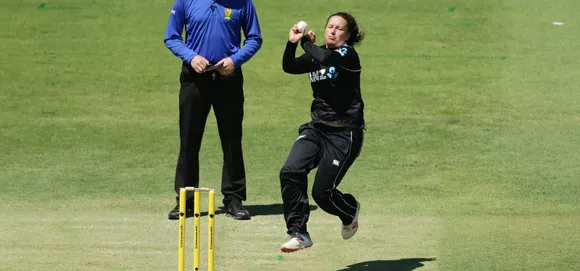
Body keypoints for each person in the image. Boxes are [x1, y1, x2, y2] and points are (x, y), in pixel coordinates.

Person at [163, 0, 262, 221]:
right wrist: (191, 57)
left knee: (231, 139)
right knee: (189, 139)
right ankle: (186, 201)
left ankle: (234, 200)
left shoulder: (243, 3)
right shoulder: (186, 1)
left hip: (228, 77)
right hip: (194, 79)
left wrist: (235, 60)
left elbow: (255, 38)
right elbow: (171, 36)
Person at [279, 12, 366, 252]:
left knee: (322, 193)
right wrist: (292, 43)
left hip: (345, 133)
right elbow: (288, 66)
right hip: (317, 129)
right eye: (330, 26)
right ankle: (298, 232)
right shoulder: (316, 54)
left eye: (339, 29)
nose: (333, 31)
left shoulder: (347, 55)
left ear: (348, 35)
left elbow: (327, 57)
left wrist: (306, 43)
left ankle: (349, 210)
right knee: (291, 170)